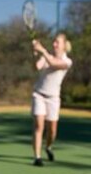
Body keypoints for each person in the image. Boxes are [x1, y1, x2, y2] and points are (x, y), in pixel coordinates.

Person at [30, 33, 73, 166]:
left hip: (53, 98)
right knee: (39, 126)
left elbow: (54, 64)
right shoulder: (46, 55)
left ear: (64, 46)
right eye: (54, 41)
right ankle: (37, 157)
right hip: (39, 95)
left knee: (52, 130)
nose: (54, 44)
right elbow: (35, 67)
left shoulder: (67, 61)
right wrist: (35, 54)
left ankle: (48, 147)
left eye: (57, 42)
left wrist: (42, 50)